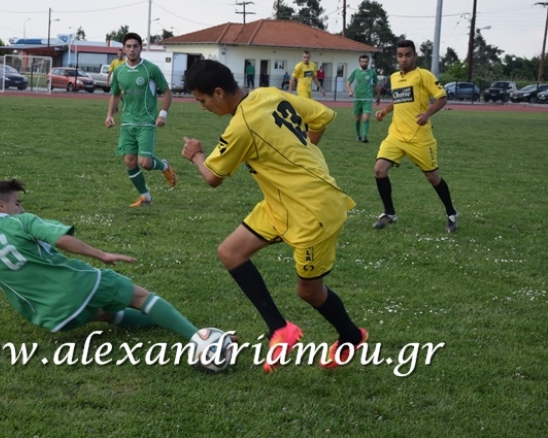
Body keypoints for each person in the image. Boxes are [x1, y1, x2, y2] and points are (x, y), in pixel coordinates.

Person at [181, 59, 366, 373]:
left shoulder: (241, 126)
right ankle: (280, 329)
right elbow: (322, 117)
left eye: (202, 101)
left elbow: (213, 177)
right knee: (230, 252)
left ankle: (351, 336)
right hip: (279, 204)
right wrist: (303, 153)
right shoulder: (268, 94)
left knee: (308, 291)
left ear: (218, 93)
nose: (203, 108)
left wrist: (196, 154)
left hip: (313, 210)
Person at [0, 179, 200, 343]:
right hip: (77, 286)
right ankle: (200, 338)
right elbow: (60, 240)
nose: (21, 208)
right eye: (18, 203)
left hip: (53, 318)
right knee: (142, 297)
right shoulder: (20, 221)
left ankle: (170, 322)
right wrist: (101, 254)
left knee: (109, 313)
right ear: (1, 206)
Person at [372, 39, 458, 233]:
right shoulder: (394, 77)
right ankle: (389, 213)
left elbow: (442, 97)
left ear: (415, 55)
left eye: (408, 55)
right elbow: (399, 99)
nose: (404, 59)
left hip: (420, 137)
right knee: (379, 170)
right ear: (396, 56)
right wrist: (385, 112)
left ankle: (451, 213)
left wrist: (427, 114)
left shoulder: (423, 76)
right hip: (396, 135)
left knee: (432, 177)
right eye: (400, 55)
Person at [105, 32, 177, 208]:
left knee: (144, 163)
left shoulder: (150, 69)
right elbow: (114, 95)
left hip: (146, 122)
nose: (131, 49)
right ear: (123, 48)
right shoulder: (119, 71)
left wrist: (163, 114)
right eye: (128, 46)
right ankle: (146, 198)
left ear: (141, 48)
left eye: (135, 46)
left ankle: (164, 166)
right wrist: (109, 115)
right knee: (129, 161)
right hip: (127, 123)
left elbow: (167, 92)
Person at [346, 54, 381, 143]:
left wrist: (378, 96)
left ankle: (365, 136)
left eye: (366, 62)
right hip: (357, 99)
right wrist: (350, 91)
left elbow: (376, 85)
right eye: (362, 62)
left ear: (368, 62)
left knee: (366, 118)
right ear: (359, 62)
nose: (364, 63)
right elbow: (348, 83)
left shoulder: (372, 72)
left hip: (368, 99)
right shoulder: (356, 72)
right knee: (357, 118)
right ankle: (358, 136)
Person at [106, 49, 125, 113]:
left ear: (123, 54)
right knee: (115, 95)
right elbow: (110, 71)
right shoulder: (114, 62)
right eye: (119, 53)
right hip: (116, 81)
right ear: (117, 54)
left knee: (122, 96)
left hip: (123, 81)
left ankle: (125, 107)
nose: (120, 55)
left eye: (121, 53)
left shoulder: (125, 62)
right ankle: (115, 109)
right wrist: (107, 79)